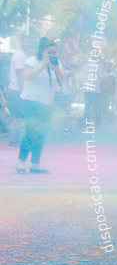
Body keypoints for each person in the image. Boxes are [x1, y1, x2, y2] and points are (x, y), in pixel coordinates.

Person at [16, 37, 65, 174]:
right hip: (30, 102)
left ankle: (35, 164)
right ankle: (20, 163)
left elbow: (63, 80)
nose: (52, 55)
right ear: (42, 52)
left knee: (42, 133)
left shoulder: (57, 64)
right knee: (31, 133)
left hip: (47, 104)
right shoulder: (32, 61)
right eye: (49, 53)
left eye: (54, 53)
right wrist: (42, 66)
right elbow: (26, 76)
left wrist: (56, 69)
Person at [7, 34, 32, 147]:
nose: (28, 44)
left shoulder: (23, 55)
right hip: (17, 90)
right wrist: (23, 91)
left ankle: (15, 139)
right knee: (17, 117)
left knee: (18, 117)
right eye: (26, 42)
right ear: (21, 42)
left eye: (29, 42)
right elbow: (20, 75)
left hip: (17, 90)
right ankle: (13, 140)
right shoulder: (19, 56)